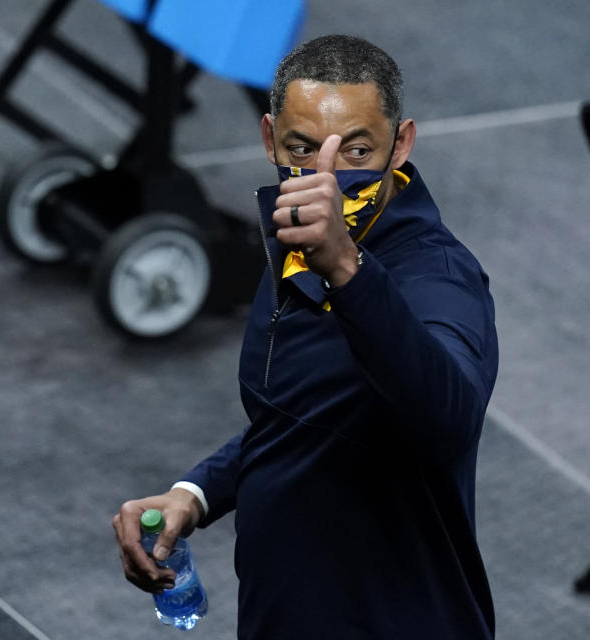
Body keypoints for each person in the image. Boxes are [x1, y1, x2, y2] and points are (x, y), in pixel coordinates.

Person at [114, 34, 499, 639]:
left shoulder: (439, 278)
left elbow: (448, 420)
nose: (323, 179)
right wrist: (197, 493)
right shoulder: (293, 240)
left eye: (356, 152)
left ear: (401, 144)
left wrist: (347, 268)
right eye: (301, 148)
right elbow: (305, 415)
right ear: (269, 138)